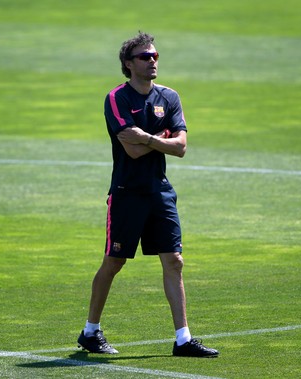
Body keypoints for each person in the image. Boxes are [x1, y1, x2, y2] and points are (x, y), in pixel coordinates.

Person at [77, 32, 219, 358]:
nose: (152, 60)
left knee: (175, 261)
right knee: (114, 262)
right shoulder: (117, 98)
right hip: (127, 193)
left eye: (155, 55)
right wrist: (159, 138)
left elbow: (181, 148)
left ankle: (183, 339)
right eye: (144, 57)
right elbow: (132, 150)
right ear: (129, 64)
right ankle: (90, 331)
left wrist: (146, 137)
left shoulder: (169, 98)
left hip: (160, 192)